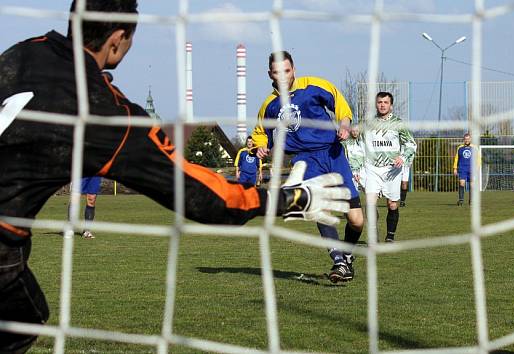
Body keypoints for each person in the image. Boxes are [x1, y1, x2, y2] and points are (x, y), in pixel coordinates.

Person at [0, 2, 349, 352]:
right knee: (23, 318)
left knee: (25, 312)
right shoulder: (106, 114)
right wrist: (287, 199)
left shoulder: (21, 52)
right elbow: (201, 195)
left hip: (11, 249)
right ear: (120, 39)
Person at [253, 51, 364, 283]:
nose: (282, 76)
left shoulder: (314, 86)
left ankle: (347, 253)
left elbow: (340, 104)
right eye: (277, 72)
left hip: (333, 154)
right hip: (305, 161)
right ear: (269, 74)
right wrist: (260, 147)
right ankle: (339, 261)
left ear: (294, 69)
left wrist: (344, 124)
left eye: (286, 70)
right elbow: (260, 134)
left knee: (356, 220)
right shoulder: (270, 105)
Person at [363, 92, 416, 242]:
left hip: (392, 169)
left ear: (391, 105)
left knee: (392, 204)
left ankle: (390, 236)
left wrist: (403, 157)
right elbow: (360, 144)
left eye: (386, 102)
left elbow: (411, 144)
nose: (382, 105)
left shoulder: (399, 124)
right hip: (372, 168)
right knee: (370, 201)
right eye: (380, 102)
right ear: (376, 104)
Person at [343, 124, 366, 192]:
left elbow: (365, 158)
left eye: (357, 131)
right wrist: (355, 172)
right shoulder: (347, 143)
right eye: (353, 131)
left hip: (363, 171)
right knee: (353, 193)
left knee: (370, 192)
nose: (355, 133)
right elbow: (349, 158)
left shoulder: (363, 142)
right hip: (352, 171)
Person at [453, 133, 474, 206]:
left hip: (472, 169)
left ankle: (471, 201)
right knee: (462, 183)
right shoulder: (460, 148)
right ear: (463, 140)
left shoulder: (474, 148)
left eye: (468, 139)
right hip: (462, 168)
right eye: (465, 139)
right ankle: (461, 200)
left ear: (470, 139)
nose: (467, 140)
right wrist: (455, 168)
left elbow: (478, 159)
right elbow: (456, 159)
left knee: (472, 185)